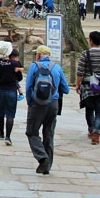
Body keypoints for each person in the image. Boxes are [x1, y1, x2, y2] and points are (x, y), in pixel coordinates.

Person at [24, 45, 70, 175]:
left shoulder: (34, 66)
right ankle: (47, 165)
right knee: (49, 134)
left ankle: (42, 157)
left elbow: (28, 87)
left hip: (37, 104)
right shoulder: (57, 68)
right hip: (53, 104)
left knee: (32, 132)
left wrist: (30, 101)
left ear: (38, 55)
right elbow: (66, 89)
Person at [75, 31, 100, 144]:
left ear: (91, 41)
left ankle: (92, 129)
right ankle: (97, 132)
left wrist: (77, 84)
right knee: (99, 111)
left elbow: (80, 71)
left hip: (88, 86)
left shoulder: (85, 54)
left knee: (89, 109)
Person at [0, 41, 24, 146]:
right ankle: (8, 136)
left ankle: (1, 133)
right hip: (11, 90)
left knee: (0, 113)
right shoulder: (15, 64)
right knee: (10, 114)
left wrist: (0, 79)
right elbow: (20, 78)